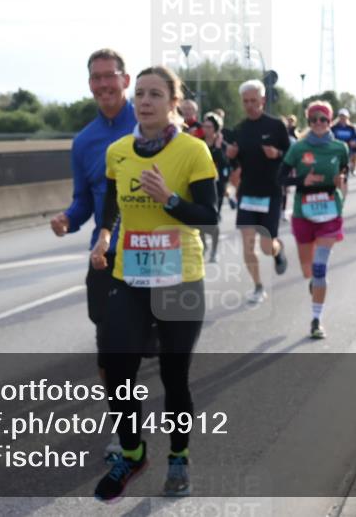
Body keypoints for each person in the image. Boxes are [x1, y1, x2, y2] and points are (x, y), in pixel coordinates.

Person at [89, 65, 217, 501]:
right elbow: (111, 203)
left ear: (173, 103)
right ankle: (133, 451)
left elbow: (210, 216)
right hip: (129, 274)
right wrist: (105, 235)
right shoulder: (118, 150)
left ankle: (178, 457)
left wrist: (170, 200)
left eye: (155, 94)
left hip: (179, 276)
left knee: (174, 375)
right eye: (140, 93)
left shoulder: (193, 152)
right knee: (116, 363)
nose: (145, 101)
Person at [49, 48, 137, 459]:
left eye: (110, 76)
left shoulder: (151, 123)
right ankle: (124, 429)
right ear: (89, 85)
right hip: (104, 258)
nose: (103, 84)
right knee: (110, 350)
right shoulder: (84, 141)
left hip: (153, 253)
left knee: (163, 350)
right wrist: (68, 217)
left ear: (126, 79)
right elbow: (84, 201)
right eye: (96, 78)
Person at [279, 101, 348, 339]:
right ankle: (313, 283)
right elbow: (280, 179)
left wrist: (341, 187)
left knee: (320, 268)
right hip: (303, 213)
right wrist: (302, 182)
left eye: (324, 119)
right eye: (314, 119)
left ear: (330, 122)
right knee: (308, 269)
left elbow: (343, 173)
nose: (319, 123)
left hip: (329, 212)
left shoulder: (340, 148)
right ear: (309, 122)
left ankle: (316, 320)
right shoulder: (298, 148)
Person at [226, 80, 290, 304]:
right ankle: (258, 286)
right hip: (248, 193)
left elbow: (291, 156)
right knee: (247, 243)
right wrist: (231, 155)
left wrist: (277, 154)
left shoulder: (276, 126)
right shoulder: (240, 129)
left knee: (266, 246)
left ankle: (277, 248)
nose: (250, 105)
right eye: (246, 101)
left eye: (254, 101)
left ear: (263, 100)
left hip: (270, 192)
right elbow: (234, 163)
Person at [201, 112, 230, 263]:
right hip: (199, 185)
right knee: (198, 219)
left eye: (209, 126)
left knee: (213, 220)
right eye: (204, 126)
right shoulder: (198, 143)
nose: (206, 129)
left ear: (215, 129)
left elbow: (226, 165)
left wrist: (218, 149)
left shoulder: (222, 146)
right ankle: (204, 246)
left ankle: (214, 251)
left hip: (216, 187)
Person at [331, 109, 356, 175]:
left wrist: (354, 142)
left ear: (347, 117)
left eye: (344, 116)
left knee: (345, 169)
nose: (342, 118)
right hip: (336, 150)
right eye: (341, 116)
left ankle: (346, 177)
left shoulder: (351, 128)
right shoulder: (334, 128)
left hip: (348, 151)